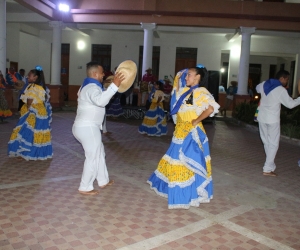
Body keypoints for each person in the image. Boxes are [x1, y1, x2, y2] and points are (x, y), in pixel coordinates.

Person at [147, 65, 220, 209]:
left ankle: (186, 195)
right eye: (187, 75)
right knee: (176, 160)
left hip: (191, 133)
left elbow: (211, 108)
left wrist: (196, 120)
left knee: (185, 161)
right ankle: (179, 191)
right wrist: (178, 78)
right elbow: (175, 97)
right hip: (180, 131)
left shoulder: (200, 92)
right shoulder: (185, 91)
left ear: (198, 77)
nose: (187, 77)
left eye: (190, 75)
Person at [72, 61, 125, 195]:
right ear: (95, 73)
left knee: (99, 153)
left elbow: (99, 97)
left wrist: (111, 86)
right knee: (93, 157)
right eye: (102, 73)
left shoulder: (88, 85)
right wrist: (114, 86)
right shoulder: (91, 87)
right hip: (87, 127)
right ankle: (85, 186)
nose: (103, 75)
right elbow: (101, 101)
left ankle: (103, 180)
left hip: (86, 127)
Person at [256, 70, 300, 177]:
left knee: (267, 142)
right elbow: (290, 105)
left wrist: (267, 82)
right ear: (282, 78)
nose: (287, 81)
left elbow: (257, 88)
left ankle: (270, 166)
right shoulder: (280, 90)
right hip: (272, 119)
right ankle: (267, 168)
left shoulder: (263, 84)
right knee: (274, 144)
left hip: (261, 118)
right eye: (287, 79)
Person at [8, 66, 53, 160]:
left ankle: (27, 150)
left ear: (35, 77)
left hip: (33, 111)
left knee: (26, 131)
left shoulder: (32, 87)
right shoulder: (40, 87)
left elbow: (29, 100)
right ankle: (39, 152)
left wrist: (28, 110)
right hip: (41, 112)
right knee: (38, 131)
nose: (28, 77)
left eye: (30, 75)